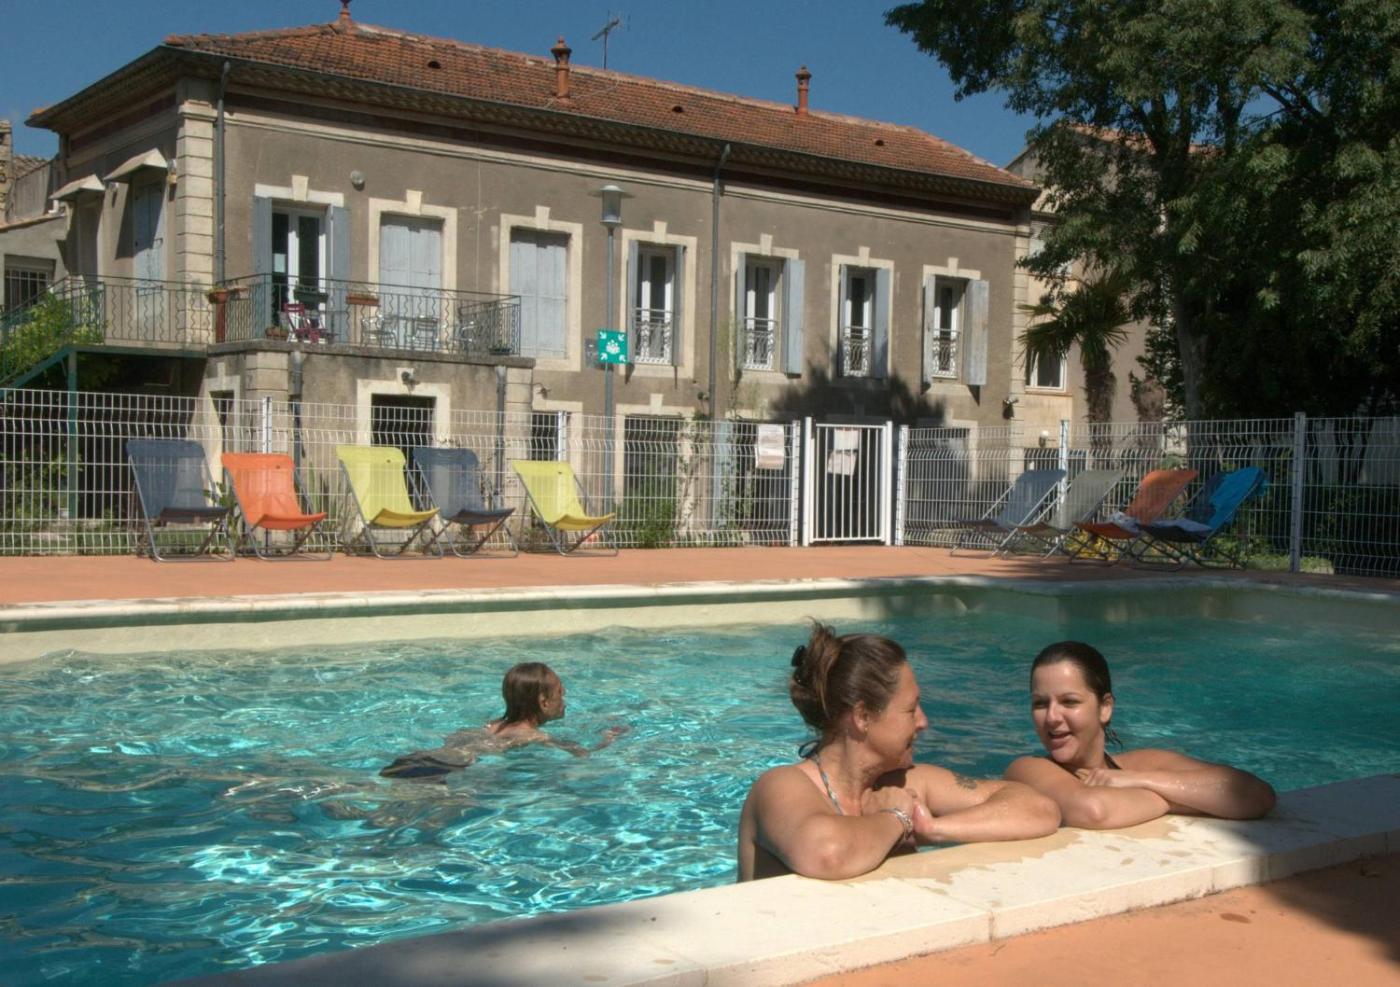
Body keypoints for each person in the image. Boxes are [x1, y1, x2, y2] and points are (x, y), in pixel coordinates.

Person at [737, 623, 1060, 881]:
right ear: (863, 717)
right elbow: (828, 854)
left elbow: (1039, 809)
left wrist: (931, 828)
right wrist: (896, 819)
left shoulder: (907, 783)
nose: (923, 722)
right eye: (911, 709)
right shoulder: (781, 786)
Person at [1004, 641, 1276, 828]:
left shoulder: (1142, 764)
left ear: (1105, 708)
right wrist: (1190, 798)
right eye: (1040, 703)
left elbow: (1255, 794)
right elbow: (1094, 810)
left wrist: (1140, 779)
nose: (1051, 716)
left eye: (1069, 702)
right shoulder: (1028, 769)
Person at [380, 661, 627, 781]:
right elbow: (583, 755)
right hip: (445, 770)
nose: (565, 697)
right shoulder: (534, 736)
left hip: (421, 758)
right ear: (544, 702)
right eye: (561, 692)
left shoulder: (491, 726)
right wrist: (608, 740)